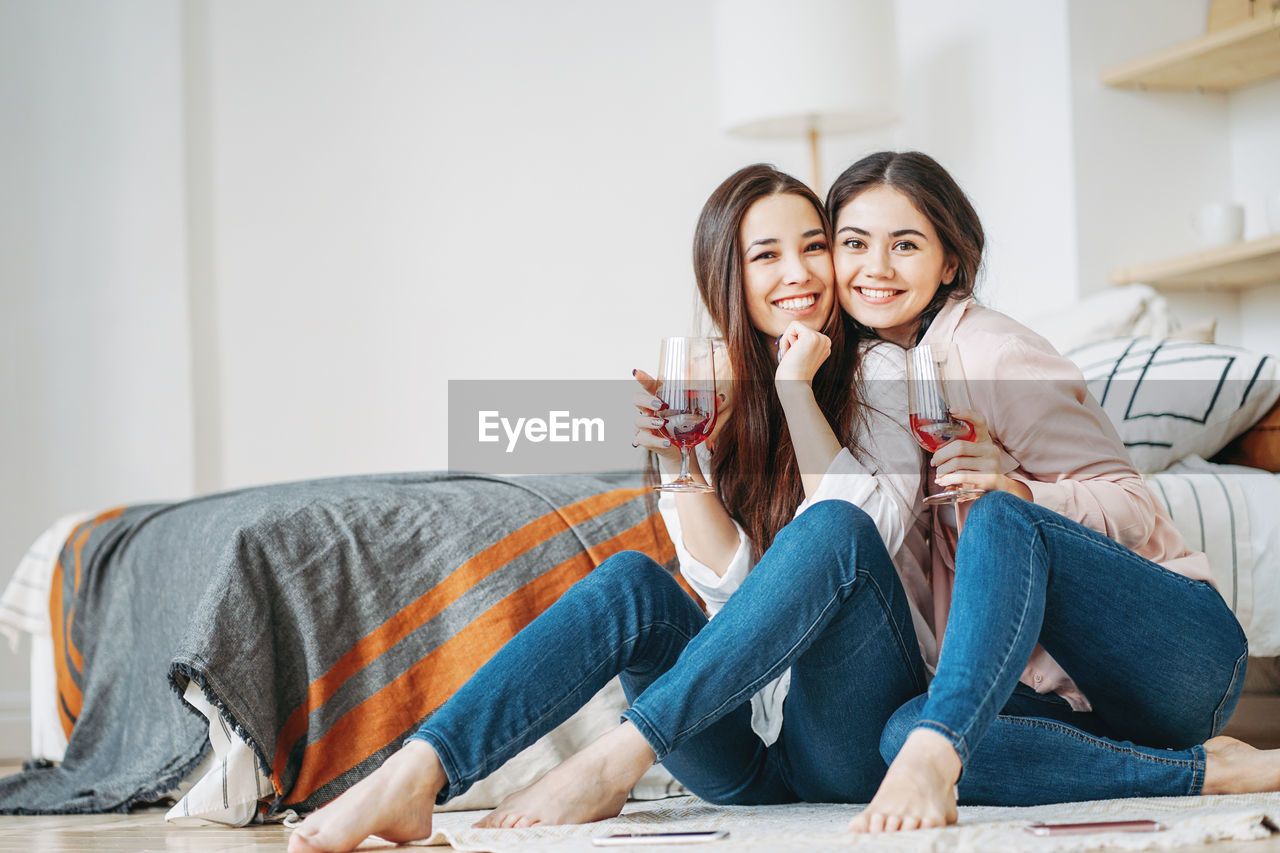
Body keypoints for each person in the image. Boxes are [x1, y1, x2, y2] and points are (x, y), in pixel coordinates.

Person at [287, 164, 935, 853]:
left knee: (832, 526)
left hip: (851, 741)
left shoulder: (883, 373)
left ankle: (614, 759)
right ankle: (416, 772)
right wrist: (683, 463)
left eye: (813, 246)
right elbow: (731, 588)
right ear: (729, 279)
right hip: (743, 749)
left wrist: (797, 391)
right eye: (766, 255)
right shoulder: (713, 389)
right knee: (631, 580)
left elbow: (865, 537)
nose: (798, 272)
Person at [823, 150, 1280, 833]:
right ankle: (1205, 771)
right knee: (904, 736)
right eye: (855, 243)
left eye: (906, 244)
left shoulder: (993, 355)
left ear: (950, 261)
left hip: (1173, 656)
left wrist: (1020, 491)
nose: (876, 267)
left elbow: (1130, 500)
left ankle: (941, 750)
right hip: (1058, 694)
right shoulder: (867, 376)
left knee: (1003, 517)